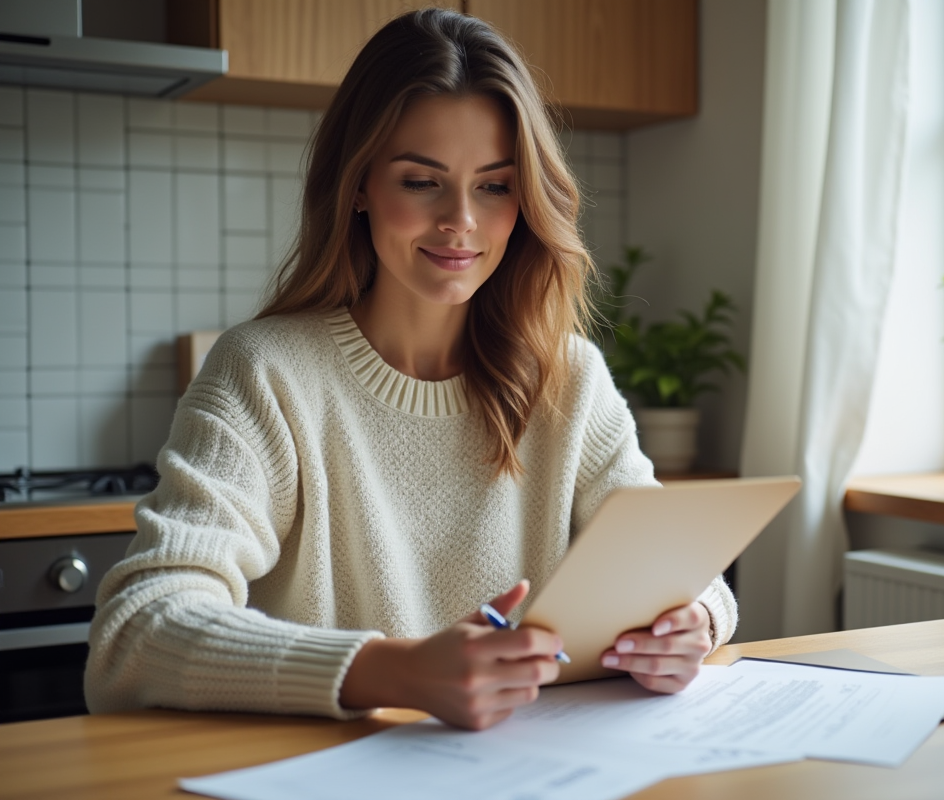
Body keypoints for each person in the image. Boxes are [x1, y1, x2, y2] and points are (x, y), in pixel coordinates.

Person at [85, 7, 736, 731]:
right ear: (359, 184)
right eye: (422, 181)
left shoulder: (569, 379)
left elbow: (678, 569)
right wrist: (395, 671)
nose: (461, 219)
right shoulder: (265, 372)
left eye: (494, 185)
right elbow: (136, 632)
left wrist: (694, 623)